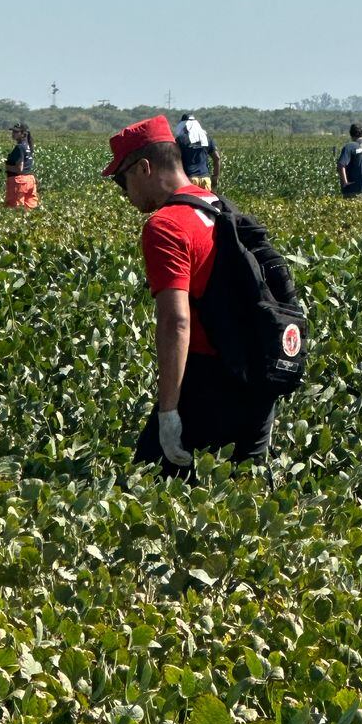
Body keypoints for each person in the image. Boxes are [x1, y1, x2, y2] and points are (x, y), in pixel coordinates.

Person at [103, 115, 277, 474]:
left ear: (144, 168)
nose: (124, 193)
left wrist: (169, 412)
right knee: (242, 493)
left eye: (122, 180)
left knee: (146, 490)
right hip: (257, 378)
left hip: (207, 383)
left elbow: (176, 322)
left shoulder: (165, 225)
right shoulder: (218, 206)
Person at [174, 113, 220, 191]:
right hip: (205, 180)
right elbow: (217, 158)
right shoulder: (207, 139)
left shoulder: (180, 140)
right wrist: (215, 176)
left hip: (188, 180)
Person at [4, 122, 39, 209]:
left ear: (23, 134)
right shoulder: (28, 146)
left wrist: (4, 166)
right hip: (30, 180)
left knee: (15, 208)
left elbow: (19, 169)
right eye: (13, 131)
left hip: (19, 181)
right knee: (29, 208)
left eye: (16, 132)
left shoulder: (19, 147)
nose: (13, 134)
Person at [337, 123, 362, 197]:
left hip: (352, 191)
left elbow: (341, 165)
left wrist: (345, 182)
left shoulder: (349, 147)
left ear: (351, 134)